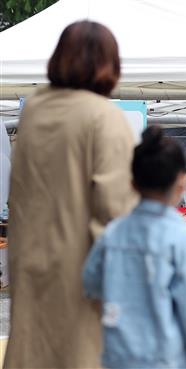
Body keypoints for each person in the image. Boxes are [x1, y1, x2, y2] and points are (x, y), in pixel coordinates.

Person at [4, 21, 137, 368]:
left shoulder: (33, 111)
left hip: (29, 261)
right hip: (82, 272)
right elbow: (117, 210)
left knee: (32, 352)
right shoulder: (104, 118)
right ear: (110, 65)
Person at [82, 127, 186, 369]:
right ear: (182, 183)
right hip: (166, 359)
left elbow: (91, 283)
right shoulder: (182, 238)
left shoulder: (113, 233)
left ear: (132, 184)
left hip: (118, 357)